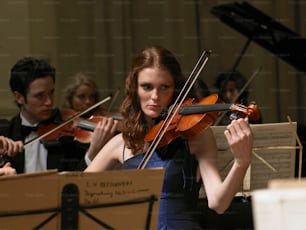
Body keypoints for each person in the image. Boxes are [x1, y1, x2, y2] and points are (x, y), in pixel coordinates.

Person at [85, 46, 253, 229]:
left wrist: (241, 162)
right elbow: (75, 191)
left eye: (164, 87)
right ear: (135, 89)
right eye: (147, 87)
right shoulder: (121, 143)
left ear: (175, 90)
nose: (155, 97)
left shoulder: (196, 136)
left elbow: (218, 204)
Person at [0, 56, 103, 174]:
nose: (49, 102)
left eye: (51, 93)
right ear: (19, 97)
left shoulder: (67, 135)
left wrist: (93, 152)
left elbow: (78, 180)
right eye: (40, 96)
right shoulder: (5, 135)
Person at [62, 73, 119, 164]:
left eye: (92, 96)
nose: (88, 101)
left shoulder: (101, 117)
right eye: (81, 97)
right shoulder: (66, 129)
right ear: (70, 99)